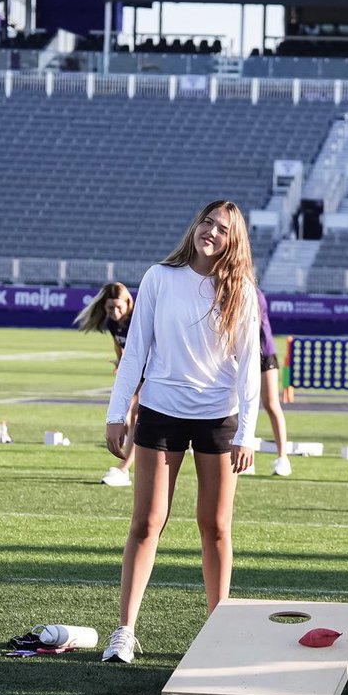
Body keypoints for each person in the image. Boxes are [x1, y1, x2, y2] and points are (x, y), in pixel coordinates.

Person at [101, 199, 260, 663]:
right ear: (195, 226)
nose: (211, 232)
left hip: (218, 419)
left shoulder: (242, 292)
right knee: (147, 524)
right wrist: (117, 414)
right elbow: (136, 354)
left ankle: (217, 631)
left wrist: (247, 433)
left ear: (234, 241)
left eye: (223, 229)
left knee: (215, 527)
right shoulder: (158, 278)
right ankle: (125, 631)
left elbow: (249, 367)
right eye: (207, 222)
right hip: (159, 414)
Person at [75, 282, 138, 487]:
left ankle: (123, 469)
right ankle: (136, 453)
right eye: (110, 307)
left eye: (119, 307)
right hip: (133, 373)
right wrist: (120, 361)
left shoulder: (137, 319)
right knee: (126, 419)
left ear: (128, 303)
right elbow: (119, 345)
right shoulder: (113, 323)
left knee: (137, 417)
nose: (114, 311)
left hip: (151, 373)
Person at [255, 287, 292, 477]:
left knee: (271, 404)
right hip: (236, 355)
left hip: (264, 353)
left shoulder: (253, 292)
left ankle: (283, 458)